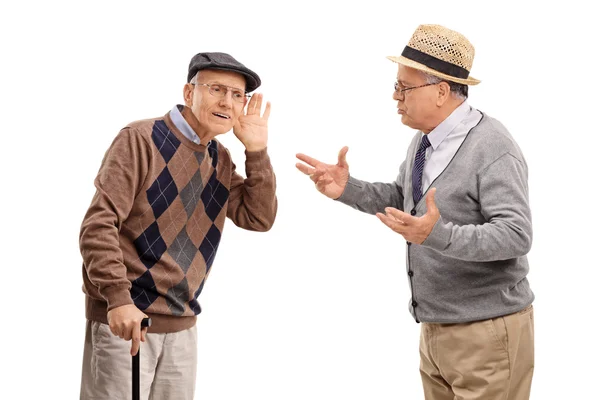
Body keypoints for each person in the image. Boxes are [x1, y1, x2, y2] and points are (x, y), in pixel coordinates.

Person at [296, 24, 534, 400]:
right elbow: (406, 199)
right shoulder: (424, 141)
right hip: (435, 329)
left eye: (404, 87)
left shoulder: (493, 145)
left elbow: (516, 235)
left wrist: (436, 235)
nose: (395, 96)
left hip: (485, 331)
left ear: (441, 91)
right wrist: (347, 188)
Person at [79, 52, 277, 400]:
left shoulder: (219, 157)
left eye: (237, 96)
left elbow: (257, 218)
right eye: (217, 89)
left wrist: (257, 151)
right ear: (189, 93)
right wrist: (118, 299)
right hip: (128, 320)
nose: (227, 102)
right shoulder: (140, 139)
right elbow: (99, 225)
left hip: (182, 324)